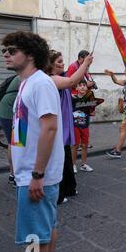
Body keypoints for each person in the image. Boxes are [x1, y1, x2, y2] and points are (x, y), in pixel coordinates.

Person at [2, 31, 64, 252]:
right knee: (46, 230)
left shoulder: (40, 83)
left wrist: (37, 175)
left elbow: (50, 128)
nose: (6, 54)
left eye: (12, 50)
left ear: (29, 54)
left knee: (34, 238)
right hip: (30, 174)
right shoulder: (27, 83)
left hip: (35, 176)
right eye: (4, 51)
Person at [47, 50, 93, 204]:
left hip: (64, 125)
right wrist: (85, 64)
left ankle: (69, 188)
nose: (63, 64)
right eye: (59, 62)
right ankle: (59, 194)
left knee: (65, 157)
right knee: (58, 160)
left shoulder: (60, 77)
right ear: (50, 64)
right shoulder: (51, 79)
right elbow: (72, 81)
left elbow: (73, 81)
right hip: (57, 126)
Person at [0, 74, 21, 186]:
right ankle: (17, 176)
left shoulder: (22, 74)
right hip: (10, 111)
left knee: (13, 143)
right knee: (18, 143)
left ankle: (13, 174)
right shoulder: (28, 75)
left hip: (5, 110)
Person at [71, 80, 95, 172]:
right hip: (75, 125)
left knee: (85, 145)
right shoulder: (72, 98)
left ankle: (84, 164)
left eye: (84, 85)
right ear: (76, 88)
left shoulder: (90, 100)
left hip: (85, 125)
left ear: (87, 87)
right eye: (80, 85)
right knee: (75, 145)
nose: (82, 87)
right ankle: (73, 165)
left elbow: (93, 112)